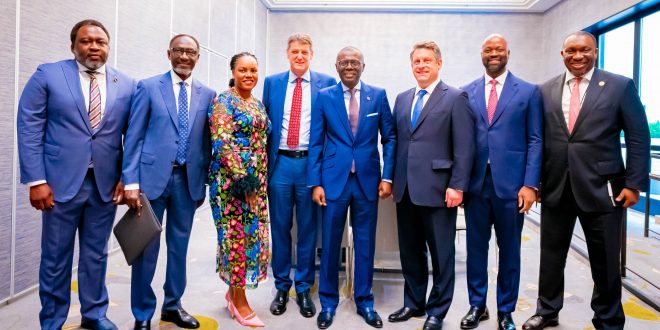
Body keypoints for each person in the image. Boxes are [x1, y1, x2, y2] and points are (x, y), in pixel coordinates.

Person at [522, 31, 650, 330]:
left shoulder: (619, 86)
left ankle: (607, 318)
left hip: (603, 188)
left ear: (595, 51)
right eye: (571, 51)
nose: (578, 56)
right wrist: (535, 181)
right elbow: (538, 139)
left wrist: (634, 183)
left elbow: (638, 136)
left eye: (585, 50)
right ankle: (547, 310)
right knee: (551, 256)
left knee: (605, 260)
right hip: (556, 186)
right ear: (562, 54)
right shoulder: (545, 90)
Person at [17, 19, 134, 330]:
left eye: (100, 42)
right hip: (58, 185)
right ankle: (53, 320)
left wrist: (126, 177)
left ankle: (94, 314)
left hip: (104, 186)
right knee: (55, 259)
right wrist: (36, 180)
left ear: (108, 47)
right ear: (73, 46)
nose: (93, 46)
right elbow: (29, 127)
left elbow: (131, 137)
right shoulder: (48, 75)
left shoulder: (125, 83)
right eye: (86, 41)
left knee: (96, 256)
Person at [122, 34, 216, 330]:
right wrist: (130, 182)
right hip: (150, 181)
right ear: (169, 53)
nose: (185, 57)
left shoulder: (208, 94)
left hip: (187, 182)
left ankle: (172, 306)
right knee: (145, 248)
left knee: (179, 247)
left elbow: (206, 143)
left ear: (198, 57)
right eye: (179, 51)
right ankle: (142, 313)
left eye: (191, 52)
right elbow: (133, 137)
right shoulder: (148, 87)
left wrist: (203, 182)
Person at [388, 41, 475, 330]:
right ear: (411, 65)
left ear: (439, 64)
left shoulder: (455, 97)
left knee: (441, 254)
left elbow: (464, 147)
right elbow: (398, 142)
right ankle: (414, 303)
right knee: (410, 252)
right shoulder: (402, 99)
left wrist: (458, 185)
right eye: (417, 61)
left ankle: (437, 310)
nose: (421, 65)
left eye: (427, 60)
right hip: (406, 189)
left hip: (440, 190)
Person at [308, 46, 396, 329]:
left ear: (363, 66)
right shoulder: (324, 97)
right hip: (333, 181)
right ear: (336, 66)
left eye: (354, 62)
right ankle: (329, 302)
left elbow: (390, 138)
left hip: (368, 180)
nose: (349, 66)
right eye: (344, 62)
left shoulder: (378, 95)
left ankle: (365, 301)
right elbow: (316, 142)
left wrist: (388, 176)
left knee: (365, 243)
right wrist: (316, 182)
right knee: (331, 243)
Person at [459, 34, 542, 330]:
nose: (494, 54)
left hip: (513, 187)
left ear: (508, 53)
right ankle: (477, 305)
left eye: (499, 50)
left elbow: (535, 140)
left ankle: (506, 309)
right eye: (488, 50)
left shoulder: (529, 91)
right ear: (481, 54)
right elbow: (461, 140)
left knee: (509, 250)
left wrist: (531, 184)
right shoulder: (465, 92)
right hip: (476, 184)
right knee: (476, 248)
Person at [262, 33, 336, 318]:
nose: (300, 56)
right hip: (280, 163)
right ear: (287, 53)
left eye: (304, 51)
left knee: (307, 229)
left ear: (312, 54)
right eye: (295, 51)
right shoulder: (272, 83)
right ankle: (282, 285)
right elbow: (266, 124)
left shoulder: (327, 83)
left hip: (310, 165)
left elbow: (331, 129)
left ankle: (304, 286)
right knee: (279, 227)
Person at [208, 52, 270, 327]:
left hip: (257, 183)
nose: (248, 75)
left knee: (251, 239)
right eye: (243, 70)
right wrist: (244, 181)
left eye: (253, 70)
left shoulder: (256, 103)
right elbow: (222, 142)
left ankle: (234, 292)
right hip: (232, 185)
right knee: (236, 242)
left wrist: (257, 184)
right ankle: (240, 302)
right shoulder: (223, 101)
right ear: (233, 72)